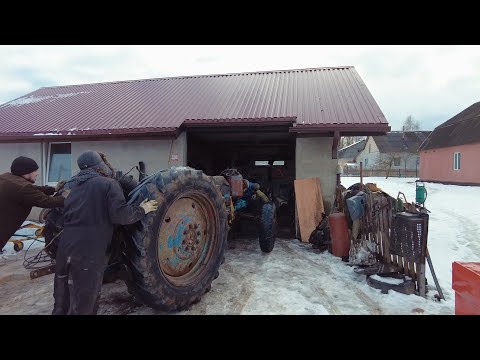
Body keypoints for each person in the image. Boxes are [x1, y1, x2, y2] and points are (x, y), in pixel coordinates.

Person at [52, 150, 158, 315]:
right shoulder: (108, 184)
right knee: (86, 297)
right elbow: (120, 216)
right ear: (100, 165)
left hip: (65, 246)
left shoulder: (70, 185)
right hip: (89, 250)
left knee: (62, 293)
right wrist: (142, 209)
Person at [0, 156, 64, 252]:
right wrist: (69, 197)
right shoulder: (23, 188)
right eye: (35, 171)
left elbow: (32, 189)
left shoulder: (6, 178)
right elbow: (47, 201)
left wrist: (53, 189)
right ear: (26, 172)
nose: (37, 174)